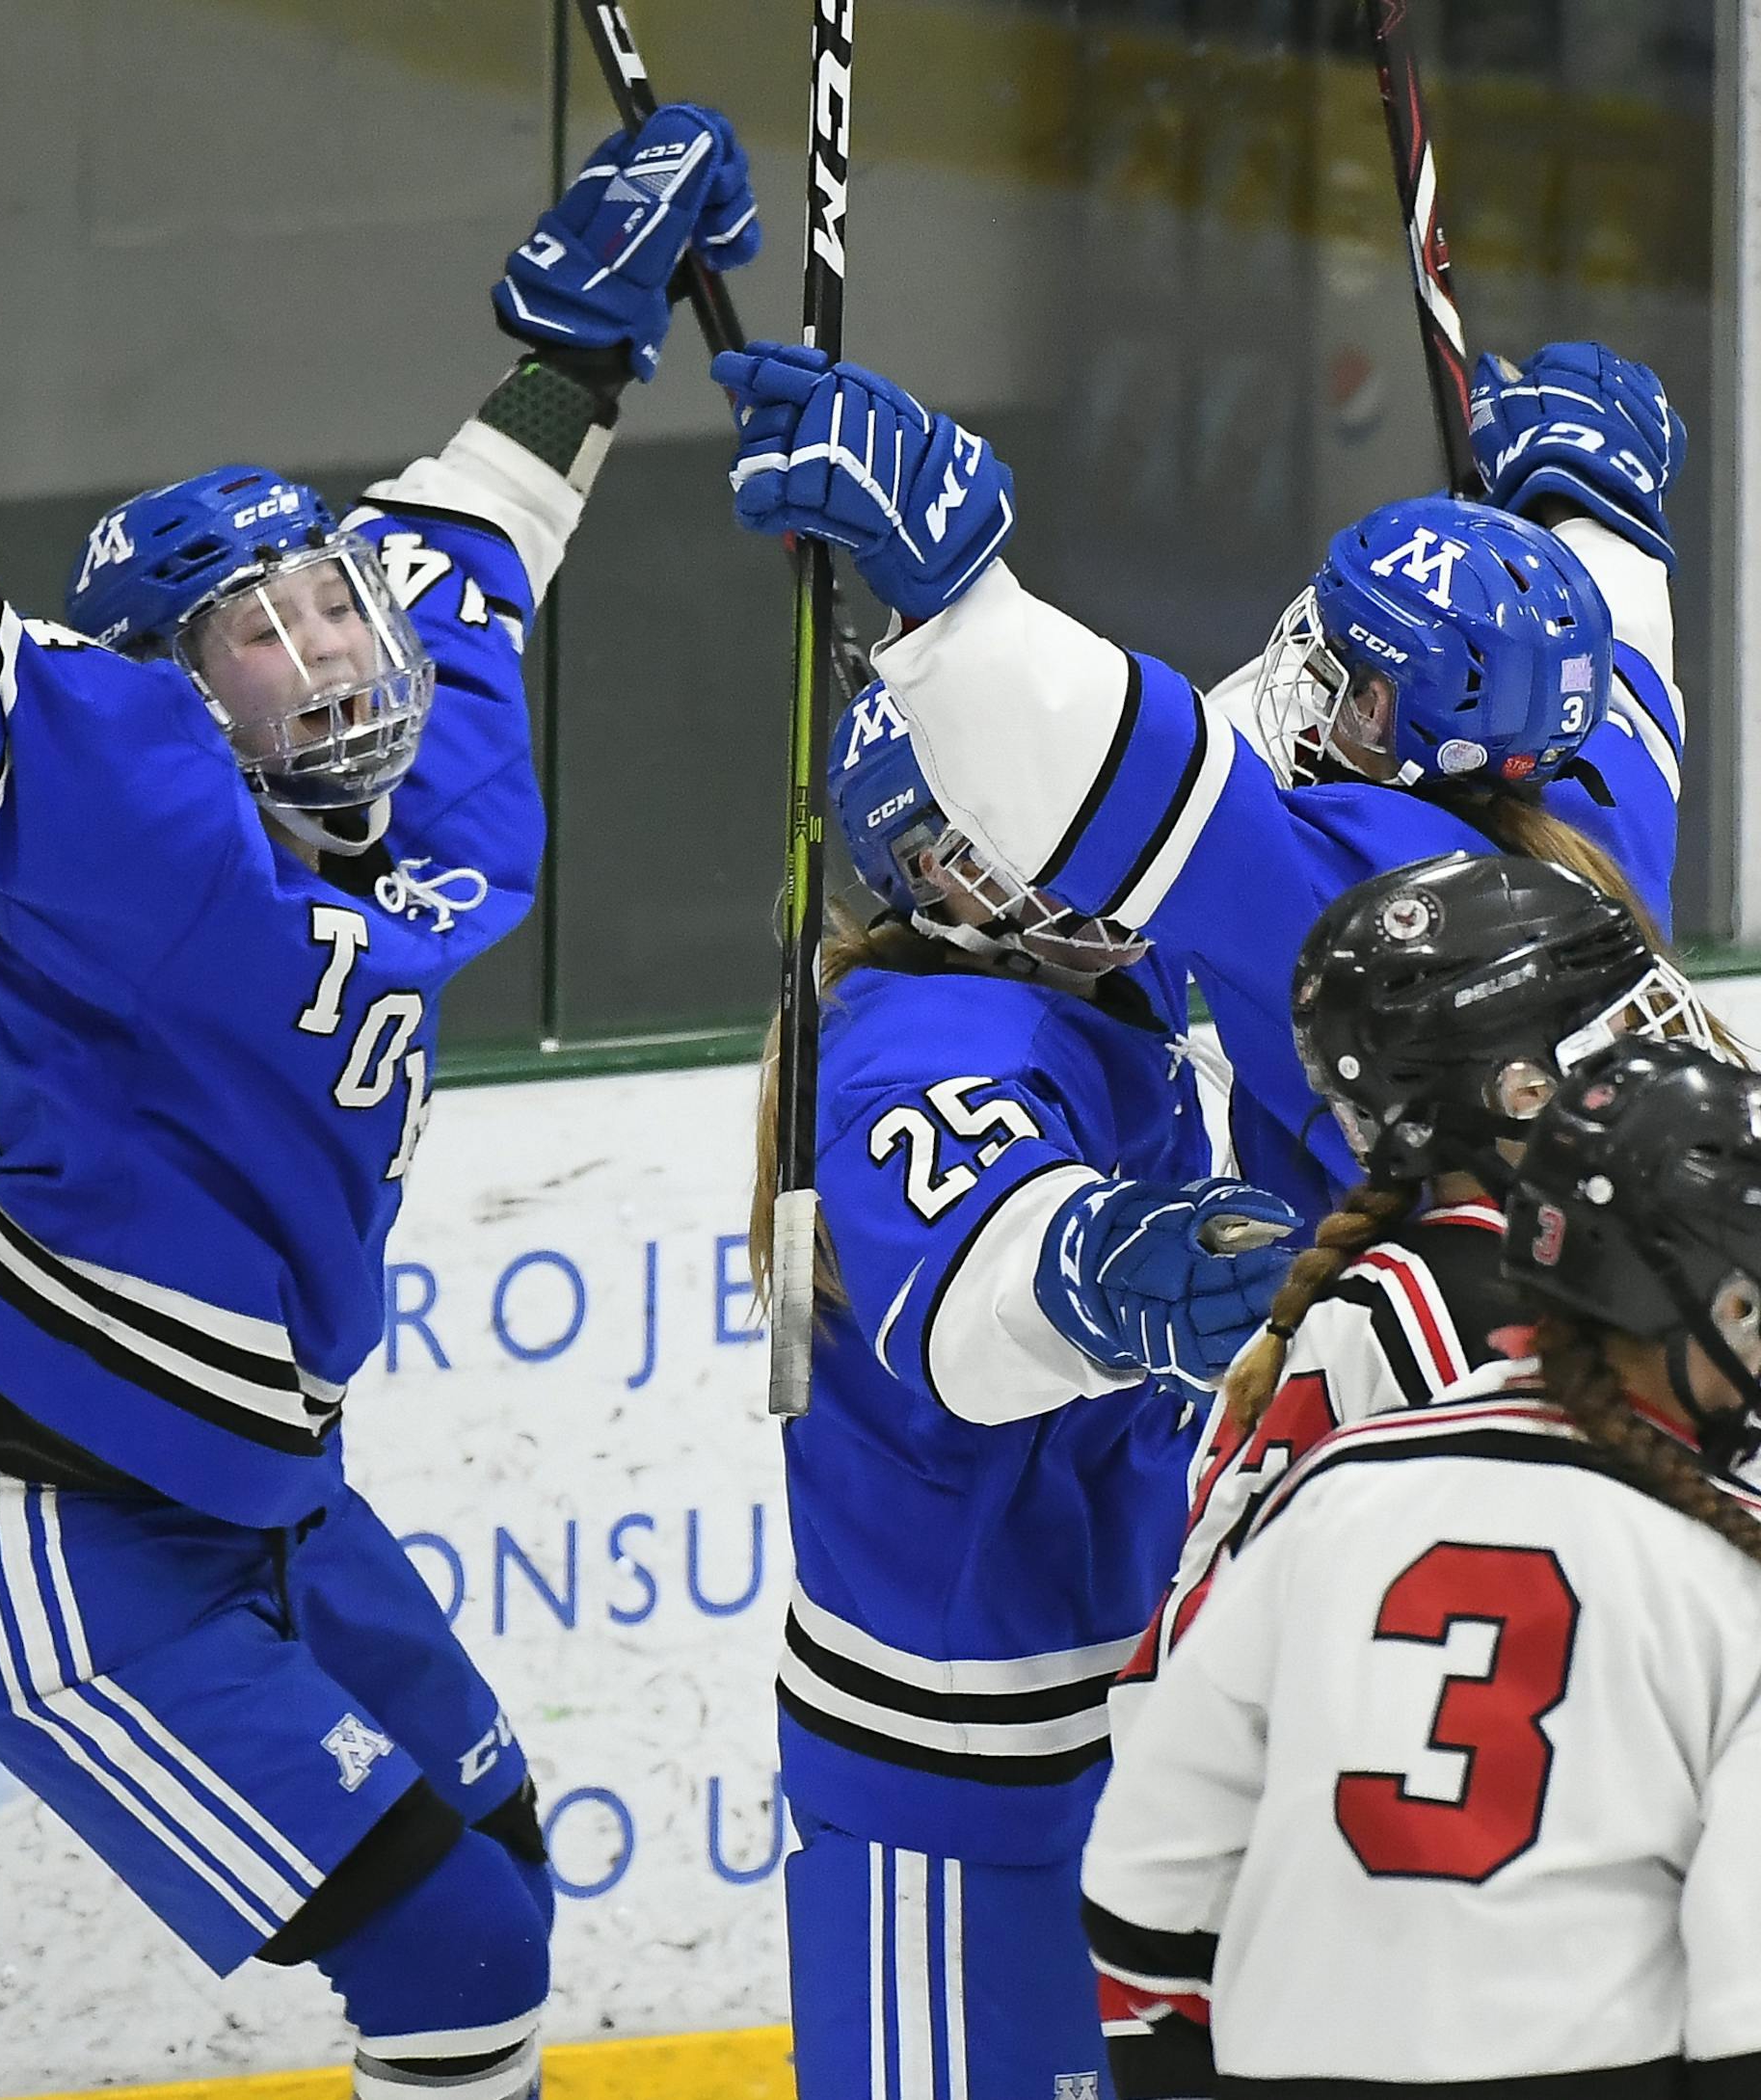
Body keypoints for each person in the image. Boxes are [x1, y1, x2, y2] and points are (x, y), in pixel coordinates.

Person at [0, 121, 757, 2100]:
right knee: (446, 1953)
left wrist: (594, 326)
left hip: (280, 1503)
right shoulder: (137, 823)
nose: (323, 652)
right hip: (71, 1535)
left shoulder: (425, 750)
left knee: (502, 1871)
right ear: (179, 699)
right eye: (252, 638)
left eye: (326, 605)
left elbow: (482, 519)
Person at [714, 335, 1688, 1227]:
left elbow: (1108, 760)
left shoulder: (1370, 912)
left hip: (1459, 1362)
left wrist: (948, 588)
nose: (1299, 693)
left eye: (1336, 679)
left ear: (1391, 722)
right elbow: (1624, 633)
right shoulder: (1602, 794)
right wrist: (1586, 492)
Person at [754, 678, 1295, 2098]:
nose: (1088, 832)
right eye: (1034, 806)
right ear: (937, 860)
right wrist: (1103, 1263)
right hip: (952, 1779)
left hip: (1112, 1714)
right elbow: (983, 1302)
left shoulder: (1111, 986)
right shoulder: (921, 1054)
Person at [1080, 1038, 1761, 2096]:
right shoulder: (1728, 1563)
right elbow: (1745, 2005)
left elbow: (1147, 1878)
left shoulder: (1339, 1484)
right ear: (1680, 1302)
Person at [1112, 849, 1736, 1735]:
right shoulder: (1435, 1309)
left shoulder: (1445, 1281)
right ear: (1523, 1093)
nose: (1667, 1060)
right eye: (1618, 1041)